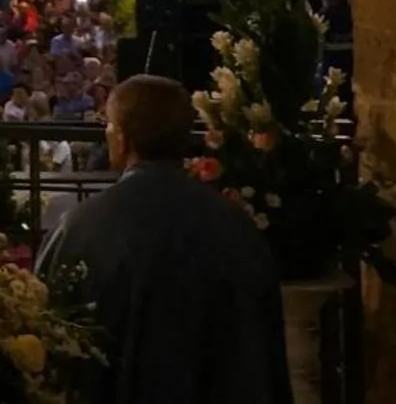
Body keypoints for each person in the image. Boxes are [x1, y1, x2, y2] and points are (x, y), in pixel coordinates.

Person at [37, 75, 291, 403]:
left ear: (122, 138)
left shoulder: (83, 228)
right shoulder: (235, 226)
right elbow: (264, 353)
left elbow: (49, 340)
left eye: (109, 125)